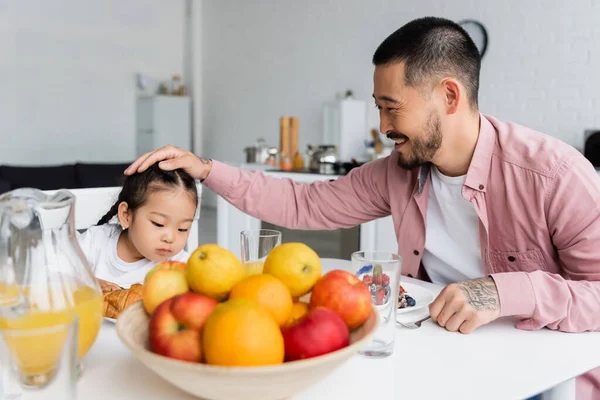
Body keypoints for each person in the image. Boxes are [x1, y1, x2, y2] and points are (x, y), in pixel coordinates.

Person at [125, 16, 600, 397]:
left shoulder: (554, 175)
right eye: (378, 107)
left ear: (449, 96)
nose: (382, 126)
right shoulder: (398, 169)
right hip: (443, 357)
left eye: (392, 108)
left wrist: (506, 291)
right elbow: (303, 203)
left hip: (537, 374)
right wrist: (207, 169)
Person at [79, 162, 198, 292]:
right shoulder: (95, 242)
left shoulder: (180, 265)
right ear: (126, 215)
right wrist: (87, 282)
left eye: (183, 228)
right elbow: (56, 273)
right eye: (158, 223)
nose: (170, 238)